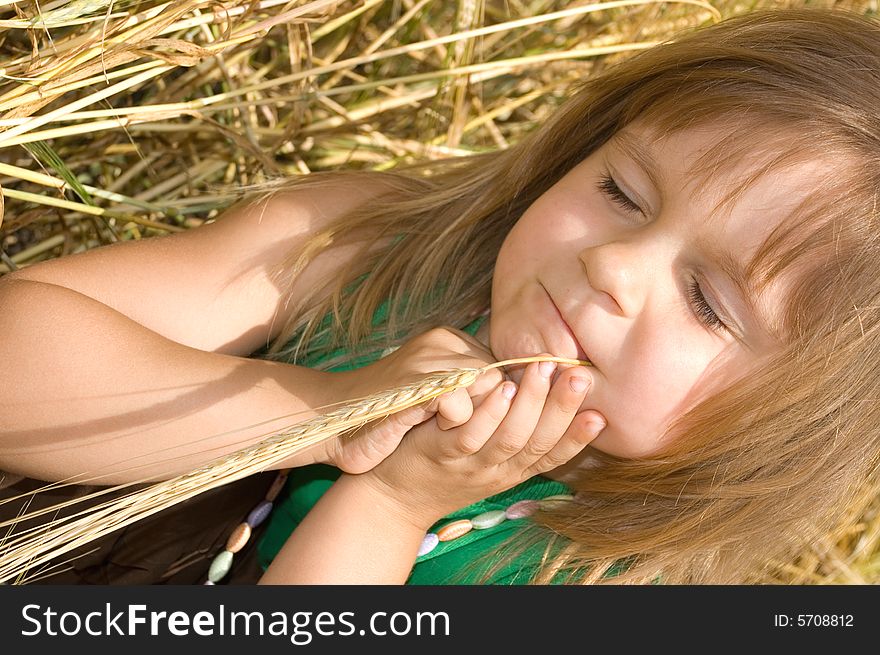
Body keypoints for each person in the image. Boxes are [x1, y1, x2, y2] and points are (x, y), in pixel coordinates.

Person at [1, 6, 878, 586]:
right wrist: (324, 408)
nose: (614, 265)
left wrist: (391, 502)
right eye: (621, 191)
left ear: (791, 428)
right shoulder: (361, 248)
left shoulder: (596, 579)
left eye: (707, 301)